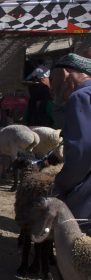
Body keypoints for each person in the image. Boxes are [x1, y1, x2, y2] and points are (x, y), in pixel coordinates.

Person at [52, 53, 91, 222]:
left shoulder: (79, 97)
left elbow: (81, 150)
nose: (51, 88)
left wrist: (61, 184)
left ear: (65, 74)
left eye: (52, 80)